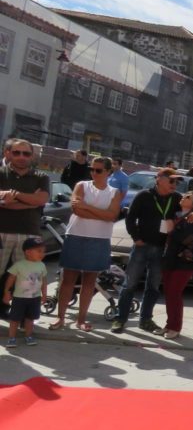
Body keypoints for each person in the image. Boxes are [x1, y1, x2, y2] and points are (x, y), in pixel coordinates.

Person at [112, 169, 193, 335]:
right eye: (171, 181)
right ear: (159, 180)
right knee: (130, 284)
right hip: (141, 246)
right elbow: (130, 217)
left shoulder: (177, 198)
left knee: (153, 286)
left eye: (177, 182)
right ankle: (120, 319)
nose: (175, 185)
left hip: (162, 249)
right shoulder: (144, 195)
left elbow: (188, 212)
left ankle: (146, 320)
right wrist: (136, 238)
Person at [50, 156, 123, 332]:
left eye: (98, 170)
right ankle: (60, 318)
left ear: (108, 172)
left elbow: (112, 216)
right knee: (67, 280)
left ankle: (81, 320)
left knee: (90, 282)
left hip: (99, 239)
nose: (94, 173)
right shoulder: (81, 185)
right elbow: (76, 210)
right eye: (92, 169)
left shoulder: (115, 192)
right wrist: (101, 214)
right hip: (76, 235)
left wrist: (88, 208)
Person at [0, 139, 50, 275]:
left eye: (26, 154)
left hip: (29, 233)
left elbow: (41, 200)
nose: (21, 157)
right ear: (8, 153)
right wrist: (30, 201)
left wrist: (13, 196)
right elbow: (36, 201)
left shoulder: (41, 177)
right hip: (1, 232)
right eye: (17, 153)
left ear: (32, 155)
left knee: (26, 279)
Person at [161, 192, 193, 340]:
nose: (183, 197)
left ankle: (175, 327)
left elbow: (186, 239)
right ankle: (169, 324)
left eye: (188, 197)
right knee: (168, 293)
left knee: (175, 293)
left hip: (184, 261)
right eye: (184, 195)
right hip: (169, 258)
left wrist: (171, 229)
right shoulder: (175, 213)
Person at [3, 237, 47, 347]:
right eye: (39, 251)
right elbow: (10, 280)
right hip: (19, 298)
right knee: (14, 319)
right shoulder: (19, 265)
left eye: (43, 251)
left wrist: (44, 295)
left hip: (35, 298)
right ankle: (11, 338)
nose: (42, 254)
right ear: (27, 252)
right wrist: (7, 292)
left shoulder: (42, 265)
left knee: (30, 318)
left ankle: (28, 336)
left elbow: (44, 281)